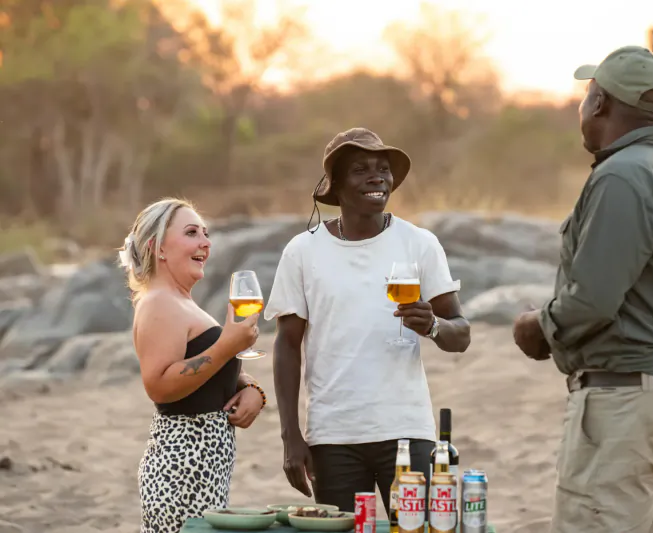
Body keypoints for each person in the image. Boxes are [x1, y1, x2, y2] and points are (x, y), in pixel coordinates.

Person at [512, 46, 653, 533]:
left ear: (599, 103)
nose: (581, 109)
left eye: (586, 97)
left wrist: (538, 328)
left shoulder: (621, 176)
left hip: (629, 400)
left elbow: (594, 299)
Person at [264, 127, 471, 515]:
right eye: (361, 169)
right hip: (333, 437)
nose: (377, 177)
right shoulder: (302, 251)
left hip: (409, 430)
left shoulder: (419, 243)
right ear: (336, 185)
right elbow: (287, 345)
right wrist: (291, 436)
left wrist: (433, 326)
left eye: (383, 169)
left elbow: (461, 335)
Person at [119, 197, 268, 533]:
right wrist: (229, 343)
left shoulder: (181, 302)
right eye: (191, 233)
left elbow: (210, 372)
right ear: (158, 248)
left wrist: (253, 389)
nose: (206, 243)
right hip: (180, 469)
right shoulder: (159, 302)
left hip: (200, 468)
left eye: (205, 233)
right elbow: (159, 385)